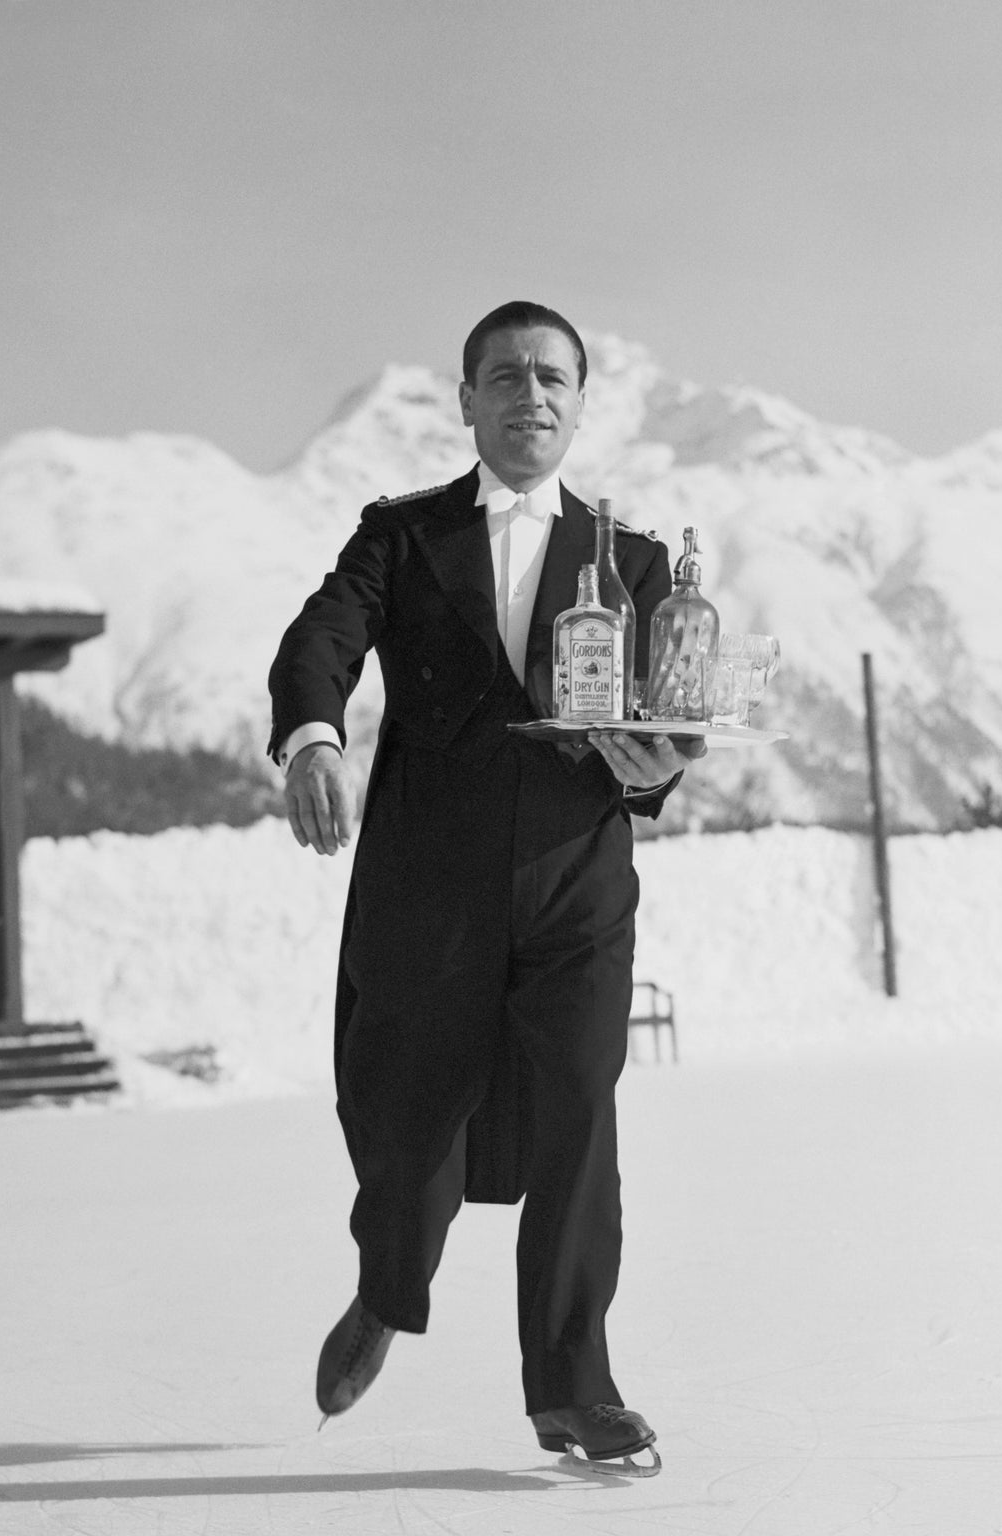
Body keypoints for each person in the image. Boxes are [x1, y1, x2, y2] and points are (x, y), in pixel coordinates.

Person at [267, 300, 702, 1468]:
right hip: (431, 883)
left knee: (578, 1121)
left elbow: (671, 714)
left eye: (552, 377)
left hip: (575, 883)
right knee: (410, 1128)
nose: (531, 396)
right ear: (465, 401)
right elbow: (321, 640)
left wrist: (661, 766)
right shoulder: (402, 538)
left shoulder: (637, 558)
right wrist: (313, 736)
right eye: (504, 376)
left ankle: (574, 1387)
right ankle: (386, 1286)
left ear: (579, 399)